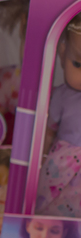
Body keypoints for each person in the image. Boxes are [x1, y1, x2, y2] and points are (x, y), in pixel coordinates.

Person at [37, 16, 81, 216]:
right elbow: (47, 131)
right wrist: (39, 159)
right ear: (62, 54)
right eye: (78, 64)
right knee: (51, 208)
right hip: (61, 166)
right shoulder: (61, 95)